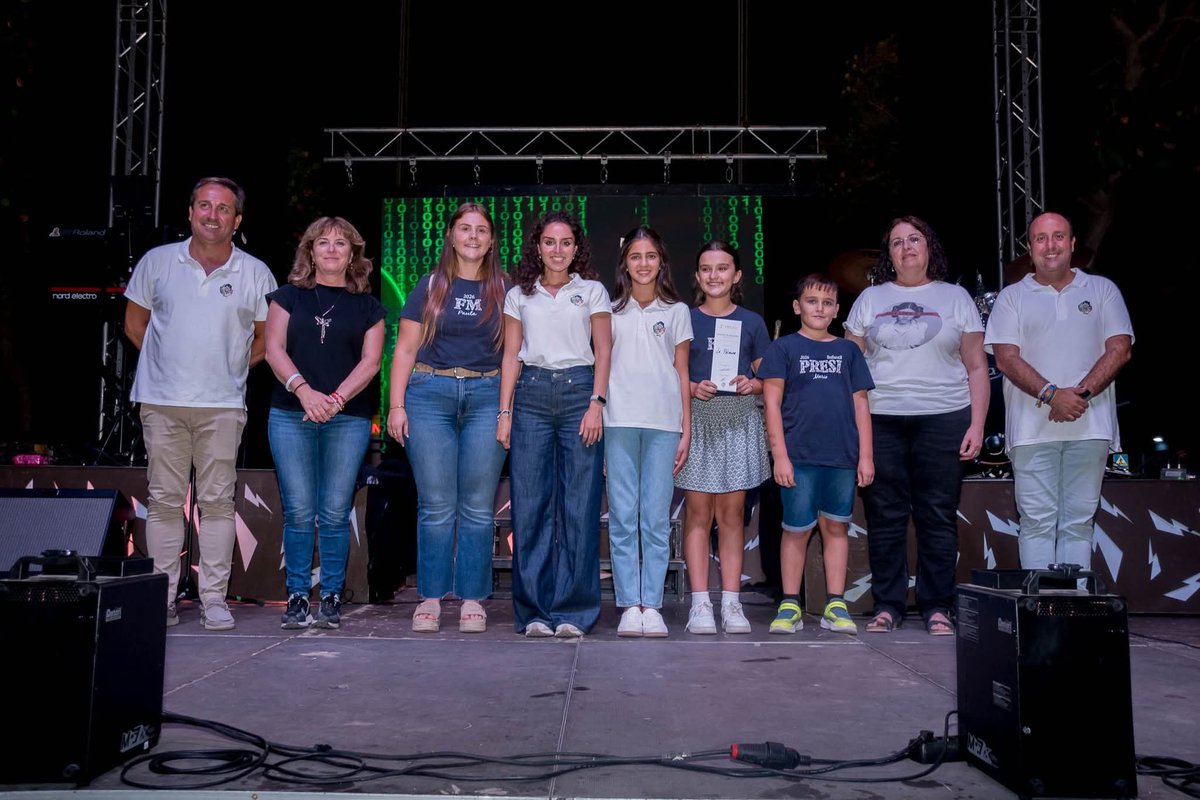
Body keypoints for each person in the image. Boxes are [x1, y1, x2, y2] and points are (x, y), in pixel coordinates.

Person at [124, 176, 278, 630]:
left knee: (215, 502)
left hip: (223, 406)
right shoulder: (157, 263)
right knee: (165, 502)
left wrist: (225, 371)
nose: (213, 215)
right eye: (205, 206)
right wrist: (170, 370)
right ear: (190, 212)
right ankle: (163, 598)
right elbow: (136, 327)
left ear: (237, 220)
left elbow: (266, 342)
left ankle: (214, 599)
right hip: (161, 401)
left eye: (224, 208)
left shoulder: (255, 272)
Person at [844, 215, 989, 636]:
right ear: (888, 254)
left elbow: (977, 365)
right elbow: (850, 370)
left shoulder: (956, 297)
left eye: (914, 239)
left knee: (937, 516)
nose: (906, 247)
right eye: (896, 242)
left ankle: (937, 605)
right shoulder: (870, 299)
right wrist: (856, 428)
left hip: (944, 417)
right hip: (881, 420)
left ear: (929, 248)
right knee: (885, 516)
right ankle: (888, 605)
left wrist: (977, 425)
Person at [386, 202, 510, 634]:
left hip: (487, 395)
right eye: (464, 228)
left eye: (481, 230)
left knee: (477, 507)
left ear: (492, 240)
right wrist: (396, 404)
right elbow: (403, 349)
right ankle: (432, 597)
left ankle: (473, 597)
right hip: (428, 395)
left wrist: (506, 410)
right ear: (451, 236)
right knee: (436, 506)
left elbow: (514, 356)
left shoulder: (506, 290)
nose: (473, 236)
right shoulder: (430, 285)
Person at [984, 212, 1133, 570]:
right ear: (1030, 248)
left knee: (1078, 524)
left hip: (1091, 426)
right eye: (1041, 238)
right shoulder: (1011, 297)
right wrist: (1053, 395)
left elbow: (1120, 349)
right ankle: (1041, 615)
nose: (1050, 246)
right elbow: (1005, 358)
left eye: (1058, 237)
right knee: (1036, 522)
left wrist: (1077, 396)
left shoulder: (1102, 290)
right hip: (1031, 431)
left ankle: (1073, 614)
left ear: (1072, 243)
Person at [265, 216, 385, 630]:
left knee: (334, 512)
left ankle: (331, 596)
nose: (332, 249)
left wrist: (333, 400)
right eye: (323, 242)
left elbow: (371, 363)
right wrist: (304, 392)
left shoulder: (369, 306)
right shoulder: (286, 297)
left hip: (347, 418)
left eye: (341, 243)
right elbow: (273, 350)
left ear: (353, 254)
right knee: (299, 512)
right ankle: (298, 595)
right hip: (290, 412)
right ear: (310, 251)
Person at [496, 210, 611, 638]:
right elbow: (511, 355)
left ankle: (573, 613)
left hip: (581, 392)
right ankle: (534, 613)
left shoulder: (593, 291)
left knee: (579, 506)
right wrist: (504, 411)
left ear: (576, 248)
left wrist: (597, 402)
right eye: (549, 242)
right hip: (532, 397)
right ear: (538, 246)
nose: (558, 250)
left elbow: (604, 350)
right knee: (530, 507)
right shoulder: (518, 295)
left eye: (565, 243)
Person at [759, 274, 874, 635]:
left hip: (841, 457)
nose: (819, 308)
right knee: (795, 531)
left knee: (836, 527)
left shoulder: (848, 351)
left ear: (837, 310)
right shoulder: (784, 349)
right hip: (799, 457)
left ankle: (835, 604)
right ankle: (790, 603)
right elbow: (771, 404)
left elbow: (861, 406)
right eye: (811, 301)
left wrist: (866, 456)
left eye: (827, 303)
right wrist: (780, 456)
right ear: (797, 307)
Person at [674, 240, 771, 635]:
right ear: (697, 276)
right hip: (699, 420)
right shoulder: (684, 318)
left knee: (732, 516)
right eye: (707, 269)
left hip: (738, 420)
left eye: (723, 268)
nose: (715, 275)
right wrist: (693, 387)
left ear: (737, 275)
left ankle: (731, 603)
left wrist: (755, 383)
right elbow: (671, 373)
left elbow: (769, 378)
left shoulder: (752, 322)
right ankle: (700, 605)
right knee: (699, 515)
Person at [604, 227, 693, 638]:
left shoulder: (676, 311)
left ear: (661, 262)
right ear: (625, 262)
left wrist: (686, 428)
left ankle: (652, 605)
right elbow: (599, 367)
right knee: (623, 517)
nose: (643, 263)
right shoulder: (607, 309)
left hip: (662, 424)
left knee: (655, 519)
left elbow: (682, 371)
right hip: (618, 422)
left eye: (651, 256)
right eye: (635, 256)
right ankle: (629, 605)